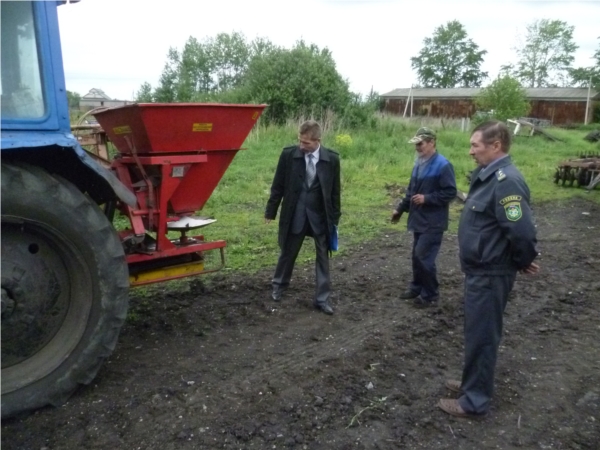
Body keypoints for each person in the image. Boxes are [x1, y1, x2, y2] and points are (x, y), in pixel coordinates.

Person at [438, 120, 540, 418]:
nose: (471, 151)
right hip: (480, 269)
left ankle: (474, 401)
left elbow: (521, 229)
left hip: (491, 271)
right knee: (475, 332)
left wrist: (524, 259)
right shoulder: (488, 176)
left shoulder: (506, 181)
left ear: (496, 146)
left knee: (483, 336)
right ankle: (472, 383)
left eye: (475, 145)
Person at [265, 120, 341, 315]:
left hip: (320, 215)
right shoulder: (289, 155)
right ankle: (279, 285)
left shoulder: (331, 159)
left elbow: (335, 193)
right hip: (296, 212)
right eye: (300, 141)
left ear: (318, 141)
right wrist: (271, 211)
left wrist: (334, 220)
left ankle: (322, 299)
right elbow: (278, 185)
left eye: (306, 143)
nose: (301, 146)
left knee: (323, 257)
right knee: (288, 251)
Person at [391, 127, 457, 307]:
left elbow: (450, 192)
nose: (417, 148)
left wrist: (427, 199)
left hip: (434, 222)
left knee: (423, 256)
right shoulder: (419, 164)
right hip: (419, 219)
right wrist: (400, 209)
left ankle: (430, 294)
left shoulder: (443, 165)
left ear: (431, 142)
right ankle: (417, 287)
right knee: (416, 256)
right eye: (416, 145)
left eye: (420, 144)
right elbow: (411, 191)